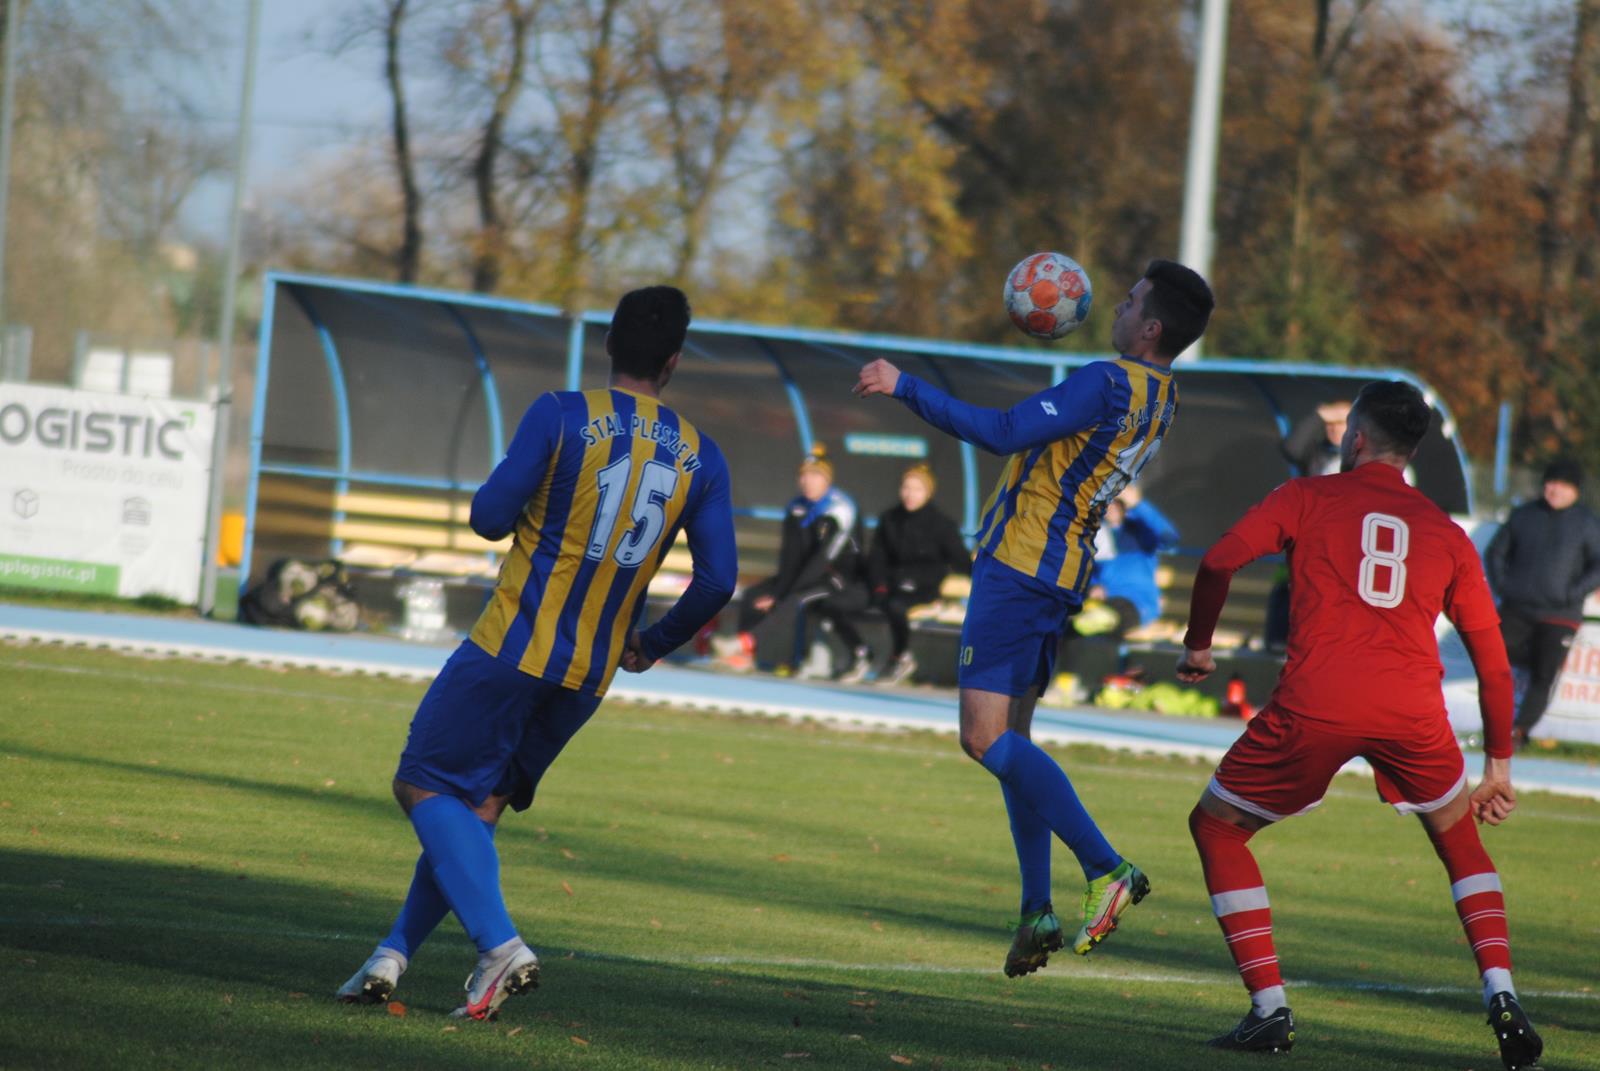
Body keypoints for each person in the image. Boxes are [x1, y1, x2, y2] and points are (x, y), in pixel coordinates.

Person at [334, 287, 737, 1020]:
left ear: (609, 344)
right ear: (674, 361)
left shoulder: (561, 413)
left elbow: (488, 517)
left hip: (510, 648)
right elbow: (718, 580)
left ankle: (500, 944)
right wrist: (652, 642)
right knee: (477, 807)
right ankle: (392, 954)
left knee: (422, 784)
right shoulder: (703, 457)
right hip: (589, 672)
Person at [854, 258, 1215, 975]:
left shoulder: (1109, 380)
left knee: (981, 737)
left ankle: (1107, 866)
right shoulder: (1163, 394)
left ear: (1150, 326)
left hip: (1020, 565)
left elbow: (1004, 431)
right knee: (1014, 743)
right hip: (1059, 570)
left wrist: (906, 386)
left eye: (1130, 298)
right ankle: (1035, 908)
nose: (1113, 302)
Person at [1176, 380, 1541, 1070]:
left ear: (1357, 437)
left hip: (1316, 701)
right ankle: (1502, 992)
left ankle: (1270, 1009)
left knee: (1218, 826)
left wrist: (1200, 643)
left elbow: (1221, 557)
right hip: (1412, 712)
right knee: (1461, 842)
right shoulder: (1446, 533)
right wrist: (1499, 766)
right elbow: (1494, 667)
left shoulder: (1307, 497)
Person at [812, 463, 972, 685]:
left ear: (928, 492)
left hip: (920, 589)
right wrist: (878, 584)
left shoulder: (942, 525)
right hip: (885, 587)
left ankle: (900, 657)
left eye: (917, 489)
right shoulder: (890, 519)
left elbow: (958, 560)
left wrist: (982, 575)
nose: (910, 495)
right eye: (906, 488)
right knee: (833, 604)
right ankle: (860, 653)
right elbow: (877, 557)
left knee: (895, 606)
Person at [1485, 457, 1600, 747]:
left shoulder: (1587, 524)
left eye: (1562, 485)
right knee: (1491, 655)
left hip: (1559, 615)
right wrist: (1504, 586)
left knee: (1544, 673)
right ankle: (1490, 724)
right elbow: (1495, 553)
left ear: (1575, 490)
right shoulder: (1524, 514)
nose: (1555, 490)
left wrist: (1572, 593)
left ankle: (1518, 732)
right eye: (1551, 482)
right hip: (1517, 608)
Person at [727, 447, 860, 672]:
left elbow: (821, 561)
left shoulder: (840, 509)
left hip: (836, 579)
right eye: (804, 475)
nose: (808, 481)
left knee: (794, 600)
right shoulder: (796, 507)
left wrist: (783, 596)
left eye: (815, 475)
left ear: (827, 479)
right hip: (805, 576)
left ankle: (744, 641)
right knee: (754, 596)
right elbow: (790, 558)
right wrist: (777, 591)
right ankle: (745, 657)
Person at [1055, 485, 1178, 690]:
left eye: (1116, 503)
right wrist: (1094, 587)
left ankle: (1124, 680)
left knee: (1094, 619)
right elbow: (1091, 573)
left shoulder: (1141, 533)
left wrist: (1139, 504)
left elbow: (1169, 538)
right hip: (1100, 605)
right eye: (1107, 503)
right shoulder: (1098, 534)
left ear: (1125, 506)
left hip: (1137, 606)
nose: (1110, 508)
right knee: (1071, 623)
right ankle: (1065, 687)